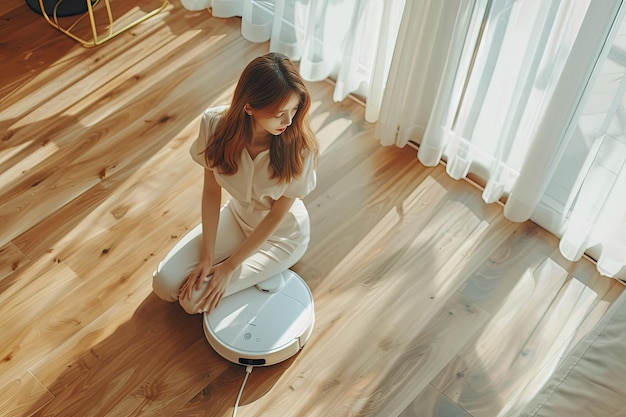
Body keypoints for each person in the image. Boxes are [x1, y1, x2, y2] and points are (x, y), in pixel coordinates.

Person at [152, 52, 319, 315]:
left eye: (294, 110)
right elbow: (210, 192)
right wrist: (208, 257)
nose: (289, 122)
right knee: (163, 284)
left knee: (191, 301)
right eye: (279, 114)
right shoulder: (214, 125)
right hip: (237, 216)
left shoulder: (301, 149)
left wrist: (229, 267)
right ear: (249, 106)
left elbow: (276, 215)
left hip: (280, 235)